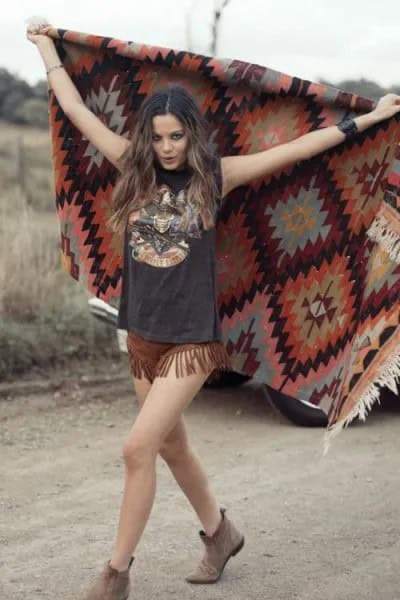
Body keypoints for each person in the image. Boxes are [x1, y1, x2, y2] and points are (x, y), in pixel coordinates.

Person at [27, 20, 400, 600]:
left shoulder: (215, 176)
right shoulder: (131, 165)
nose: (167, 146)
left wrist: (366, 123)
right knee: (171, 445)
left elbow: (295, 150)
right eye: (159, 137)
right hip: (142, 336)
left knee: (136, 448)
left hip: (193, 341)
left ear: (191, 135)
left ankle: (115, 575)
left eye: (176, 136)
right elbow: (78, 113)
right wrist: (47, 49)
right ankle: (220, 533)